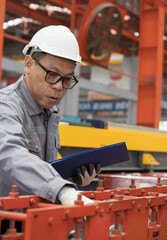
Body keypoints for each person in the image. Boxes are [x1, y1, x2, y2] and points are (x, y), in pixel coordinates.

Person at [0, 25, 100, 209]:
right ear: (28, 64)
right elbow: (10, 153)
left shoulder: (50, 114)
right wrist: (61, 189)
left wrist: (69, 178)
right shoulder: (5, 106)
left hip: (32, 216)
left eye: (67, 79)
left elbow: (40, 167)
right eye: (52, 74)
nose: (59, 86)